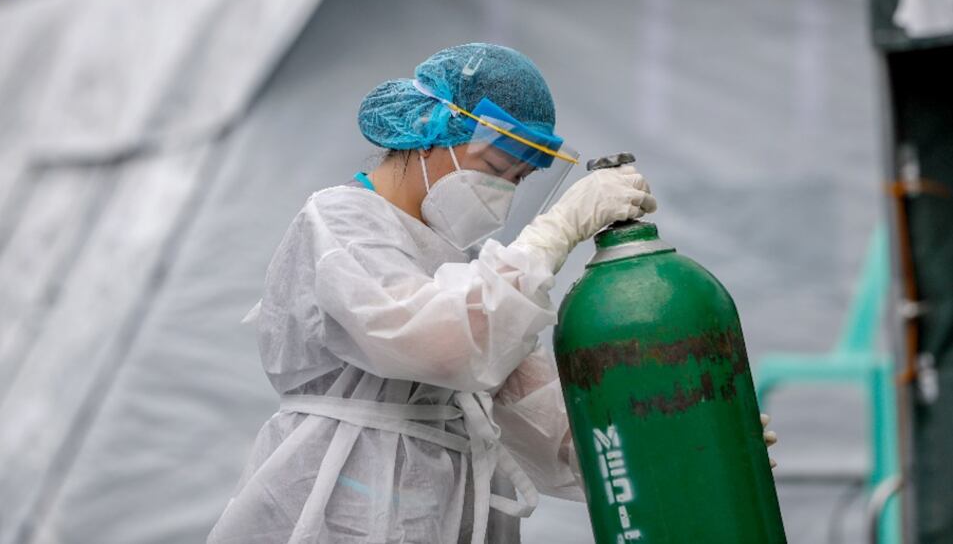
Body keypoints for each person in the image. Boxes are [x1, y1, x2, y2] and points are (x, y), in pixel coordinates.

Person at [208, 43, 774, 544]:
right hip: (341, 509)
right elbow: (439, 342)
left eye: (521, 178)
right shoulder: (341, 222)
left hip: (446, 513)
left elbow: (548, 428)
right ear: (429, 132)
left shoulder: (461, 272)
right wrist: (553, 234)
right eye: (496, 166)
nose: (504, 190)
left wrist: (680, 439)